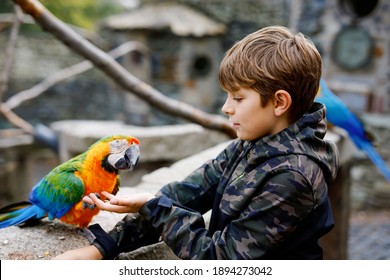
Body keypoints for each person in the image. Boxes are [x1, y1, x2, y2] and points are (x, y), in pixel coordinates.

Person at [54, 25, 339, 260]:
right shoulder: (251, 145)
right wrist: (102, 248)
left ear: (279, 102)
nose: (226, 108)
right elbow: (185, 194)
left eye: (238, 98)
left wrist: (154, 207)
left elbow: (220, 259)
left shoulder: (293, 176)